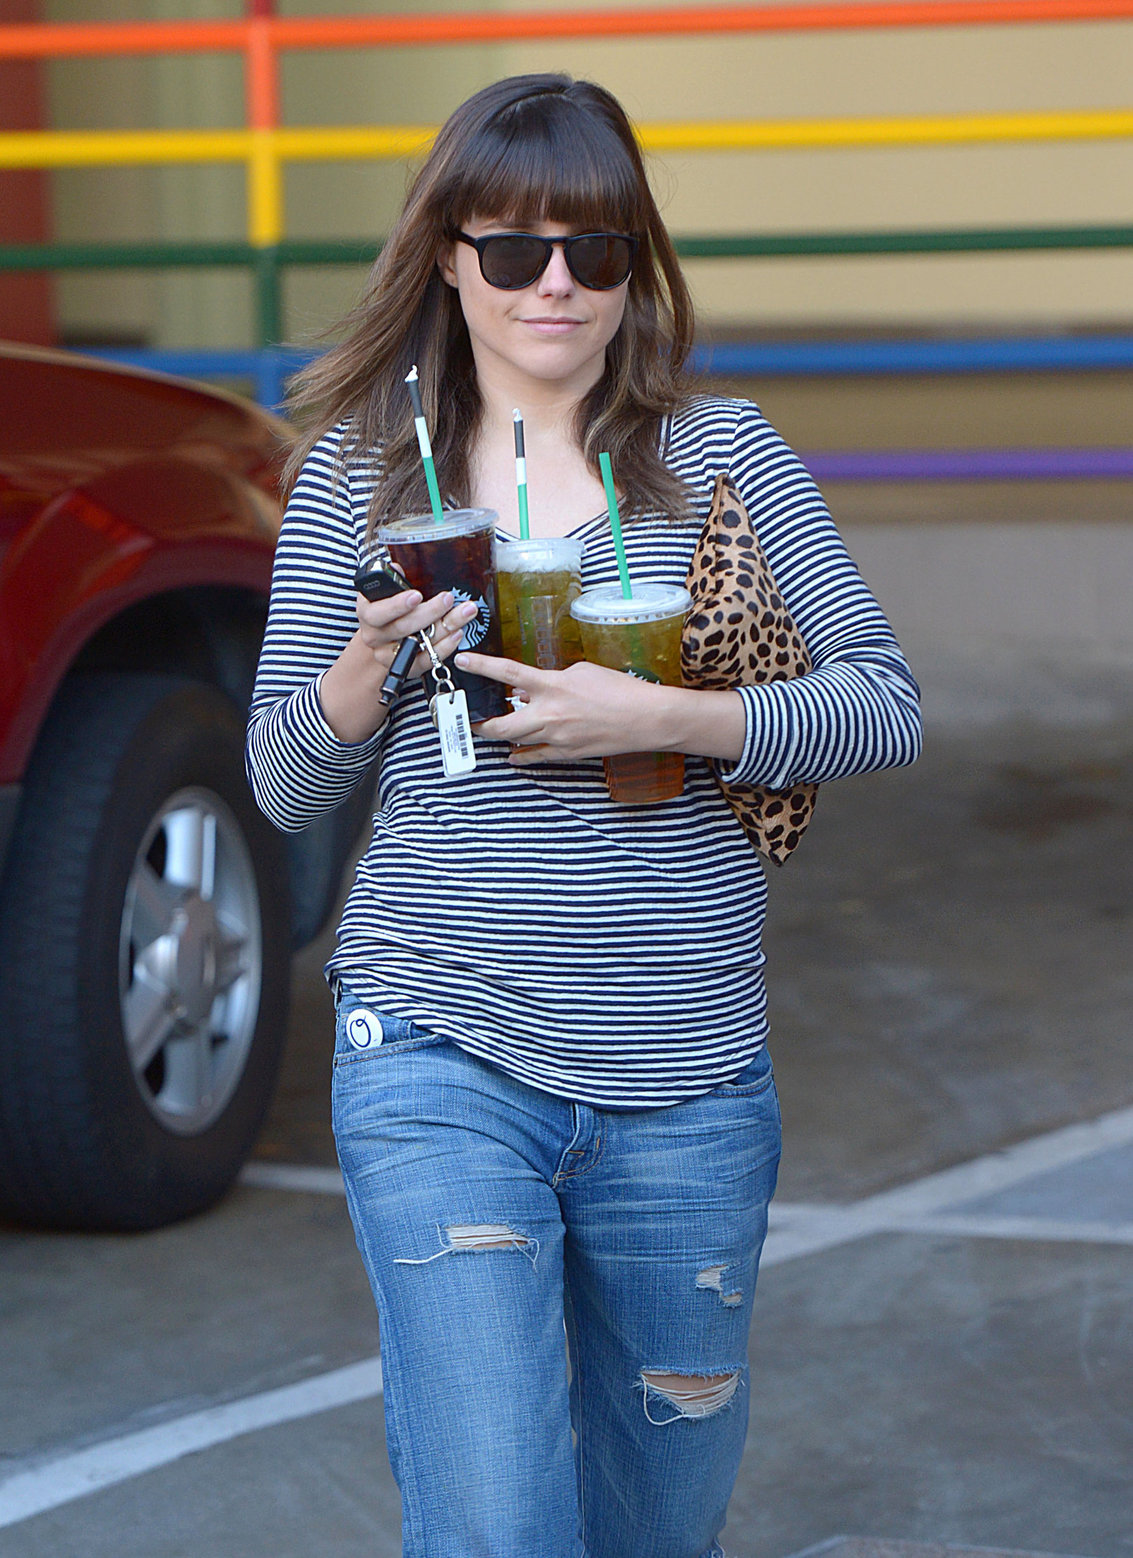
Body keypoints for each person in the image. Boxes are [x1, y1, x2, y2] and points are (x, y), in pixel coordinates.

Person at [246, 72, 922, 1558]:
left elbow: (884, 702)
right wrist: (360, 672)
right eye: (515, 250)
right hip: (437, 1044)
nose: (557, 283)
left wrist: (671, 720)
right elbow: (284, 786)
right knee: (496, 1521)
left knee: (651, 1530)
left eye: (597, 250)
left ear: (636, 266)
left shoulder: (721, 453)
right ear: (447, 256)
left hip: (685, 1071)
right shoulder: (363, 474)